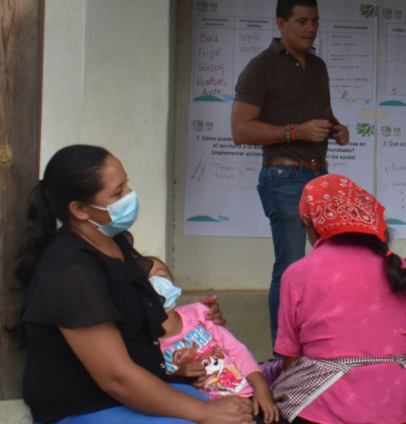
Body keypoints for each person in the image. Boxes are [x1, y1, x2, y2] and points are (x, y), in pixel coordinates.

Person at [18, 144, 253, 424]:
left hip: (140, 388)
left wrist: (192, 316)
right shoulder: (69, 272)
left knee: (241, 413)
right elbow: (116, 379)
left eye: (126, 184)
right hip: (86, 407)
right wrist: (203, 412)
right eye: (117, 193)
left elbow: (133, 313)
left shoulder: (111, 242)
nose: (129, 196)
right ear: (80, 210)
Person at [231, 0, 351, 344]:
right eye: (302, 21)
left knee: (324, 264)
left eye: (315, 21)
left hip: (318, 174)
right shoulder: (260, 67)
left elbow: (324, 114)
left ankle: (315, 345)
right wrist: (295, 131)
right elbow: (240, 130)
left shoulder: (318, 66)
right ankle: (284, 354)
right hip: (282, 175)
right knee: (291, 267)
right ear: (281, 23)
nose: (311, 28)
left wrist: (337, 128)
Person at [270, 174, 406, 424]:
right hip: (398, 405)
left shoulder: (298, 273)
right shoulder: (401, 267)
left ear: (309, 223)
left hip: (325, 409)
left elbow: (290, 359)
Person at [145, 257, 281, 424]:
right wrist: (178, 377)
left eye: (162, 276)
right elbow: (155, 386)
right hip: (215, 414)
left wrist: (261, 388)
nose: (156, 284)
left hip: (247, 396)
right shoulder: (146, 342)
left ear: (173, 281)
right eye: (147, 279)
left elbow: (236, 350)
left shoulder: (198, 313)